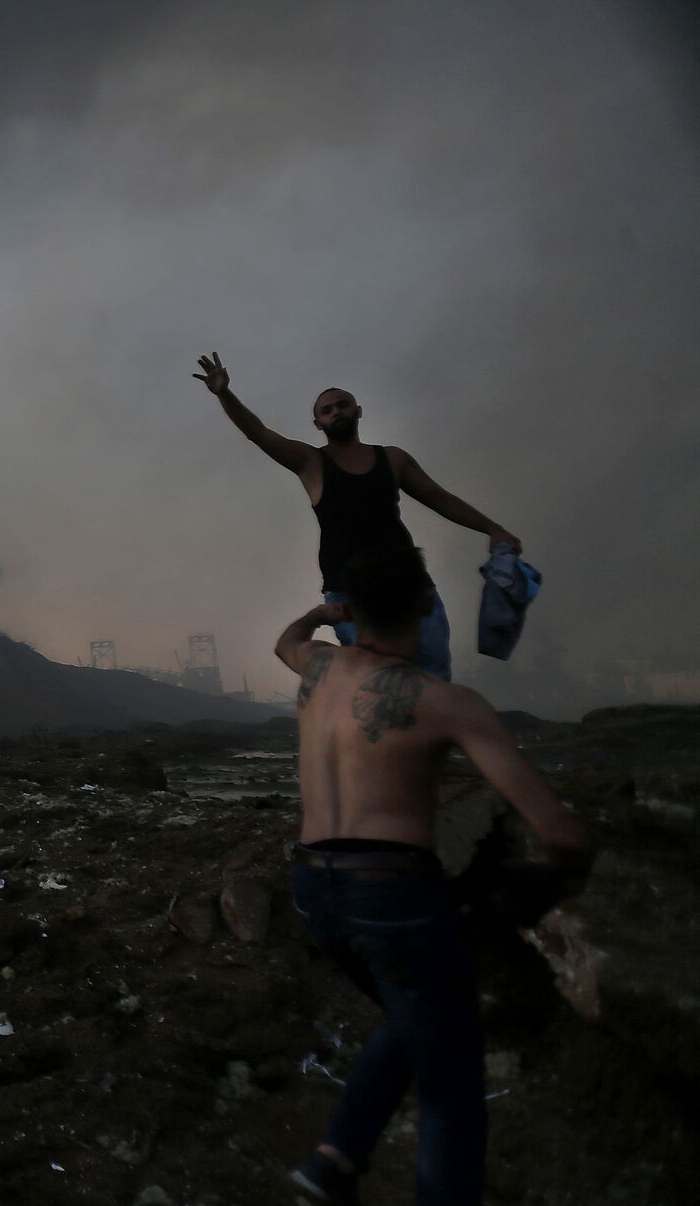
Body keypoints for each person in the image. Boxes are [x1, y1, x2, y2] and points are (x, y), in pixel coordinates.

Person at [273, 546, 592, 1204]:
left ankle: (334, 1160)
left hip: (311, 889)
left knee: (416, 1009)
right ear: (428, 605)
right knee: (449, 1081)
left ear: (352, 610)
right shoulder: (447, 702)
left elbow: (288, 637)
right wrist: (551, 868)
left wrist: (321, 613)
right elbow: (559, 831)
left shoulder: (319, 665)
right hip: (390, 890)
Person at [194, 352, 521, 679]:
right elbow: (259, 433)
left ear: (358, 411)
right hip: (350, 595)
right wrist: (224, 393)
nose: (336, 411)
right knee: (378, 683)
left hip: (411, 588)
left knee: (433, 678)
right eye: (327, 409)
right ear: (318, 424)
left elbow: (440, 498)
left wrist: (493, 529)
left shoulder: (392, 459)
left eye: (343, 405)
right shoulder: (312, 463)